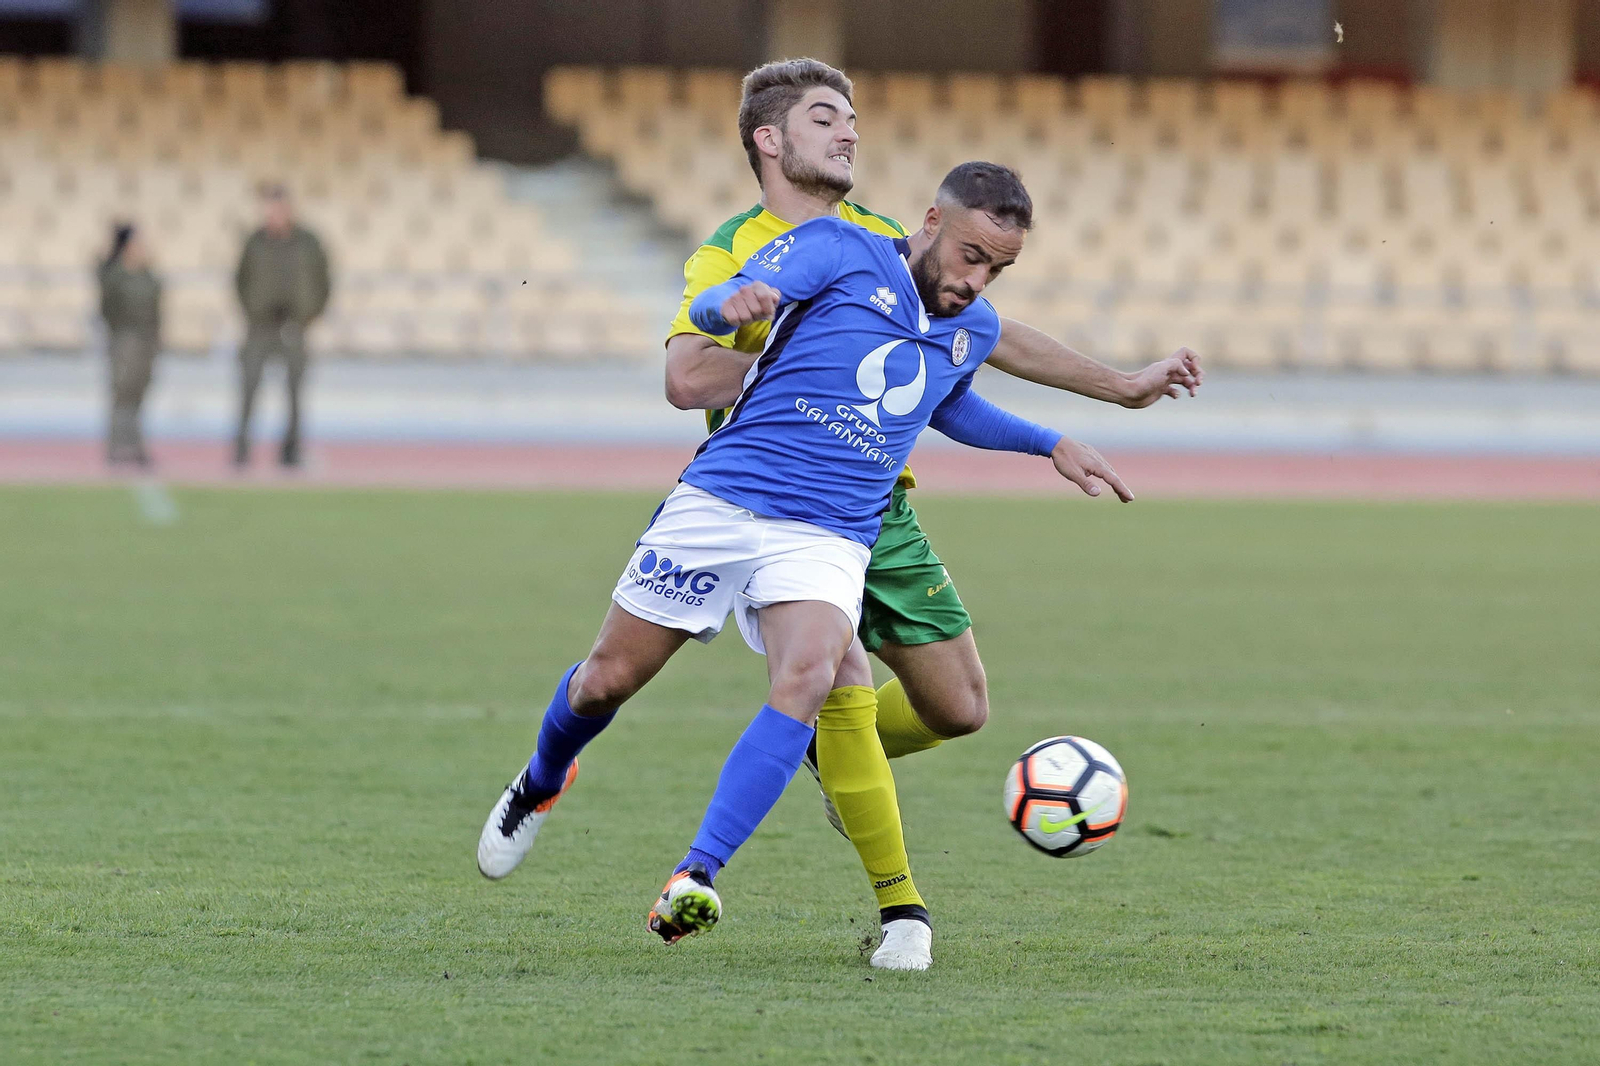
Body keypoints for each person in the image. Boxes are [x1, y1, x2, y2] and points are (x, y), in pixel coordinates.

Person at [477, 164, 1123, 967]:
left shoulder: (973, 325)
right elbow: (722, 303)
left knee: (811, 676)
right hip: (726, 498)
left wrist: (1051, 442)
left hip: (829, 533)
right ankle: (542, 778)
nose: (976, 280)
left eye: (998, 268)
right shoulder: (838, 249)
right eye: (970, 255)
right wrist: (730, 303)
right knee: (607, 679)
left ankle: (696, 873)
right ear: (932, 220)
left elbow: (948, 400)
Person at [659, 58, 1202, 968]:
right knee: (832, 680)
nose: (849, 135)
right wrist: (798, 367)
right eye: (828, 120)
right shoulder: (729, 250)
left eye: (853, 121)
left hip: (885, 510)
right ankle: (902, 911)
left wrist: (1111, 393)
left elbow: (976, 343)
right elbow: (684, 375)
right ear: (771, 140)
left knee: (959, 708)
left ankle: (832, 760)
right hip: (784, 505)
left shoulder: (878, 237)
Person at [233, 183, 330, 468]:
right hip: (260, 326)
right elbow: (240, 281)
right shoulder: (254, 242)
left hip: (294, 325)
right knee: (249, 387)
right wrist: (252, 310)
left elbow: (323, 281)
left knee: (295, 393)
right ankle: (242, 448)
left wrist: (309, 314)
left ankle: (291, 450)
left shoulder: (308, 243)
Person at [98, 222, 161, 467]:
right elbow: (108, 308)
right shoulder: (114, 275)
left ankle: (135, 446)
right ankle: (116, 447)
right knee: (121, 395)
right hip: (125, 339)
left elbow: (156, 310)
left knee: (139, 395)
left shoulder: (148, 276)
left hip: (147, 341)